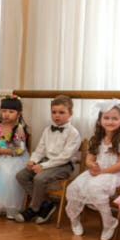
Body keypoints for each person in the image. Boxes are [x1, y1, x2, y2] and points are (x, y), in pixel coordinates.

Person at [65, 101, 120, 240]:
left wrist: (101, 171)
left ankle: (109, 222)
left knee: (94, 187)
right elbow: (89, 160)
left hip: (115, 173)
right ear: (99, 120)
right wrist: (92, 165)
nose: (110, 121)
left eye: (115, 118)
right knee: (74, 187)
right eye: (106, 118)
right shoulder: (97, 138)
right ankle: (74, 219)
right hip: (98, 171)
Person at [15, 95, 82, 224]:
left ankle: (34, 208)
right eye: (54, 112)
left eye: (62, 112)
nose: (57, 115)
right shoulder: (47, 130)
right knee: (21, 175)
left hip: (63, 165)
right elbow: (41, 148)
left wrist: (43, 166)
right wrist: (33, 160)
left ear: (70, 114)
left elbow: (65, 157)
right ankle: (45, 204)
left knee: (39, 178)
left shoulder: (73, 133)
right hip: (46, 162)